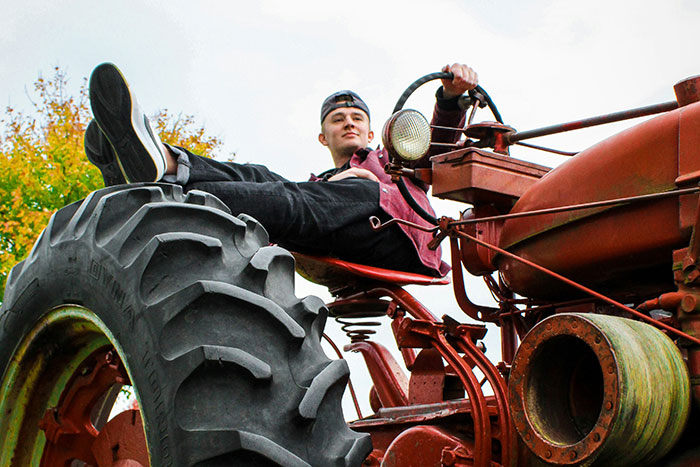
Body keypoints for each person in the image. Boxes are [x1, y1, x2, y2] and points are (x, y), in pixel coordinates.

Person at [85, 62, 477, 276]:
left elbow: (436, 148)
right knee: (264, 178)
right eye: (338, 119)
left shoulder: (392, 164)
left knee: (348, 190)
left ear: (373, 131)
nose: (349, 123)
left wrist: (450, 99)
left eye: (357, 117)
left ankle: (160, 196)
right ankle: (163, 164)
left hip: (399, 238)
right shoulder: (320, 187)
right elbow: (285, 202)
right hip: (336, 228)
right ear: (323, 137)